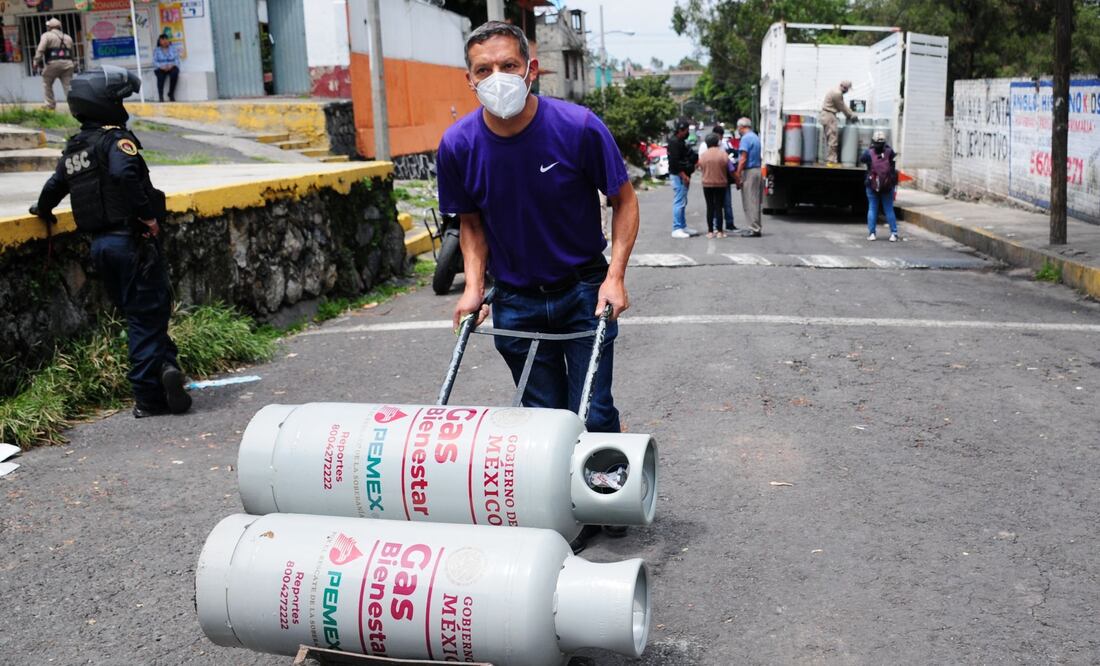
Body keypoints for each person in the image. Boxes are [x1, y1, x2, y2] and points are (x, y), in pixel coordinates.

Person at [437, 21, 640, 550]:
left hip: (582, 289)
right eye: (484, 70)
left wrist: (615, 276)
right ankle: (562, 511)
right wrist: (473, 287)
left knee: (592, 408)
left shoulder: (578, 127)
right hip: (515, 299)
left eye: (508, 65)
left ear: (530, 69)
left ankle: (606, 496)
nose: (497, 77)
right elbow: (471, 224)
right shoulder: (458, 146)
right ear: (469, 80)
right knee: (543, 418)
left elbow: (624, 200)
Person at [32, 65, 192, 419]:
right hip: (131, 242)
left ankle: (166, 368)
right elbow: (123, 174)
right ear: (104, 103)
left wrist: (41, 210)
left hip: (101, 247)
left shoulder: (76, 149)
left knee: (143, 314)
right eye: (118, 99)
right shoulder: (115, 141)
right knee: (147, 314)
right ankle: (149, 397)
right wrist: (148, 217)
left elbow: (53, 188)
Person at [860, 130, 900, 242]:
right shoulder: (889, 151)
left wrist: (870, 148)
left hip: (872, 185)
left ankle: (872, 234)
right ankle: (894, 234)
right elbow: (893, 163)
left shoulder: (869, 152)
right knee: (889, 209)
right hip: (887, 185)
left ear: (873, 141)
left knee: (872, 208)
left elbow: (862, 159)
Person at [33, 18, 75, 112]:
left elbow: (40, 49)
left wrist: (36, 62)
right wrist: (73, 63)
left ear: (50, 27)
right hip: (68, 64)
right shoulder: (68, 37)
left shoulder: (47, 35)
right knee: (68, 87)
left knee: (46, 83)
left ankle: (49, 105)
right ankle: (74, 106)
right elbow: (72, 53)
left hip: (53, 64)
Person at [667, 119, 699, 238]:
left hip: (683, 174)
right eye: (686, 130)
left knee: (683, 201)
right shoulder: (674, 142)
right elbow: (675, 162)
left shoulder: (681, 142)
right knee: (679, 202)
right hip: (678, 176)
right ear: (681, 130)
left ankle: (682, 226)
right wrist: (683, 175)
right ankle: (677, 228)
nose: (687, 133)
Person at [699, 133, 734, 238]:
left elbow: (701, 167)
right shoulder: (723, 154)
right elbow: (731, 168)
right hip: (720, 184)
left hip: (707, 184)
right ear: (718, 143)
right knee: (719, 207)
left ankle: (710, 231)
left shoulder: (703, 156)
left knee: (710, 207)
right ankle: (720, 231)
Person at [734, 117, 763, 237]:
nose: (738, 130)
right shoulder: (755, 137)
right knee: (755, 200)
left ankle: (754, 228)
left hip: (750, 171)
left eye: (738, 128)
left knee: (749, 200)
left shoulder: (745, 139)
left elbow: (743, 158)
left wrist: (737, 173)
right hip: (757, 169)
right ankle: (755, 226)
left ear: (741, 127)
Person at [821, 79, 858, 165]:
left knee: (831, 138)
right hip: (829, 116)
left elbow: (843, 105)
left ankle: (831, 160)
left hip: (827, 115)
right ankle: (831, 161)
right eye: (847, 89)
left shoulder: (834, 91)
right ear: (845, 88)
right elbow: (842, 107)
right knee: (833, 138)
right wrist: (851, 115)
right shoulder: (837, 94)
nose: (847, 91)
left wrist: (850, 113)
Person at [712, 124, 737, 232]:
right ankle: (715, 225)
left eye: (721, 137)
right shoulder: (707, 146)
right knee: (715, 203)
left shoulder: (725, 145)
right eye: (718, 137)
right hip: (714, 179)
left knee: (727, 203)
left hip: (724, 178)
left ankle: (729, 224)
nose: (720, 139)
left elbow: (731, 160)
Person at [152, 35, 181, 102]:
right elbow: (154, 61)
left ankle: (171, 94)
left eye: (166, 39)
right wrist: (161, 66)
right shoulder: (156, 50)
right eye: (163, 40)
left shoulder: (173, 49)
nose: (165, 41)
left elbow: (177, 60)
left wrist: (172, 65)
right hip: (161, 68)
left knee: (175, 73)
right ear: (160, 41)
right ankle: (161, 96)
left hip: (171, 67)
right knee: (160, 77)